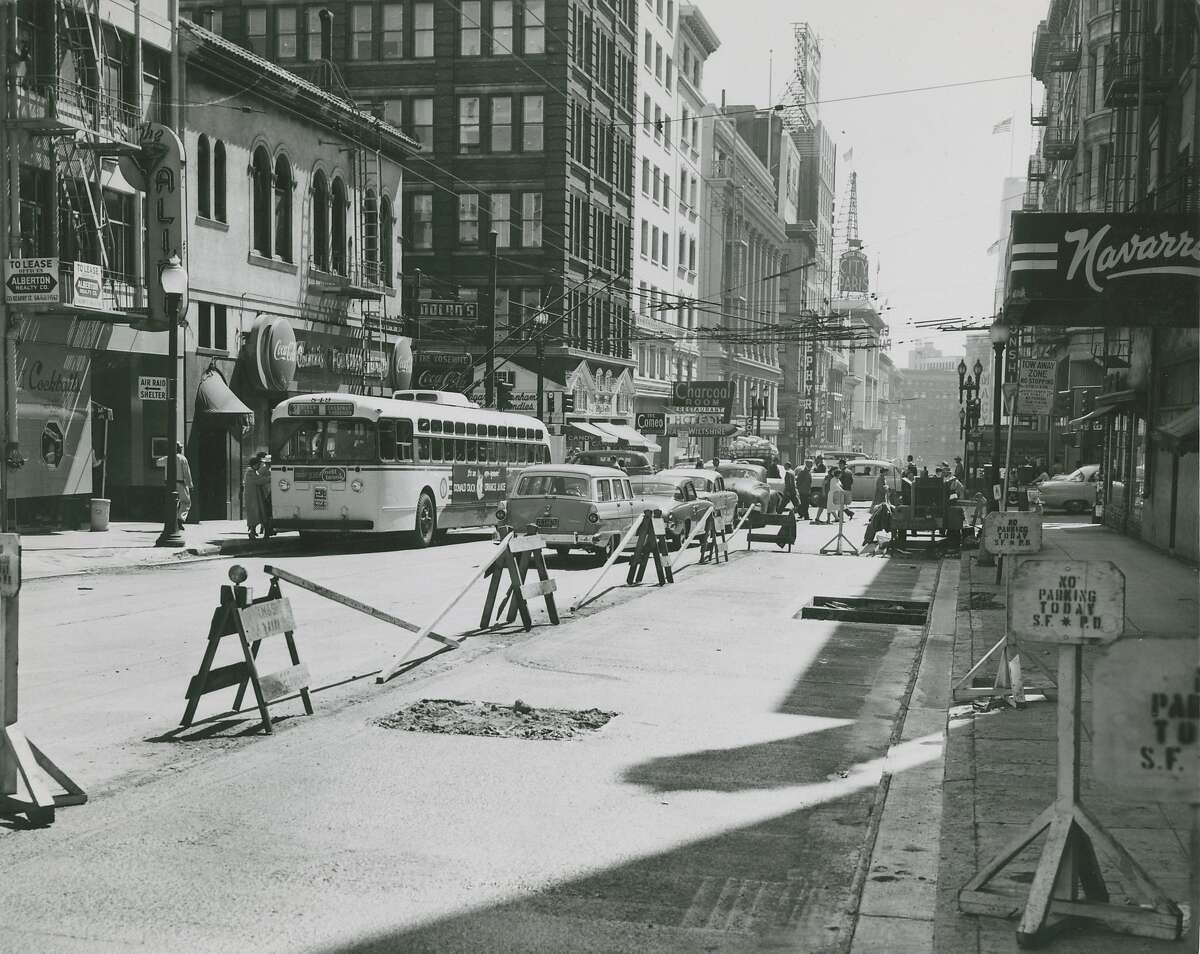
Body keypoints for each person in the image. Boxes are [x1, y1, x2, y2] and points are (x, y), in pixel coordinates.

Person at [243, 452, 270, 540]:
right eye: (258, 464)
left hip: (254, 497)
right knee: (254, 515)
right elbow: (259, 481)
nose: (259, 466)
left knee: (256, 515)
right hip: (252, 498)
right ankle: (252, 533)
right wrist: (271, 478)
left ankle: (253, 532)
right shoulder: (251, 472)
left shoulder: (252, 472)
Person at [174, 442, 193, 523]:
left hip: (170, 484)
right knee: (186, 502)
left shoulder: (168, 457)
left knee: (174, 502)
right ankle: (180, 519)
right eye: (181, 447)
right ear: (179, 448)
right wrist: (190, 485)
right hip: (181, 483)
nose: (181, 449)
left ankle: (174, 518)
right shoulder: (182, 458)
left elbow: (158, 462)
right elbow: (186, 473)